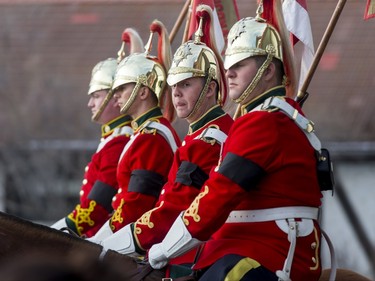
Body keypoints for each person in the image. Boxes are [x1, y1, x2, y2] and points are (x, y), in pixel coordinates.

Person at [148, 4, 326, 281]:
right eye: (228, 65)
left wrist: (164, 249)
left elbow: (219, 196)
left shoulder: (264, 122)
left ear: (268, 71)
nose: (228, 73)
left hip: (265, 256)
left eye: (239, 64)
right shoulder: (272, 117)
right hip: (239, 250)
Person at [88, 6, 234, 273]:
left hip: (195, 250)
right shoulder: (196, 135)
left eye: (186, 84)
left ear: (211, 88)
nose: (176, 93)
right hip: (174, 244)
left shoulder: (207, 139)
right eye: (174, 85)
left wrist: (103, 246)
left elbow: (173, 209)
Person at [88, 20, 181, 242]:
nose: (116, 95)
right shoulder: (144, 133)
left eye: (122, 88)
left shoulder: (151, 138)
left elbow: (135, 206)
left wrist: (99, 243)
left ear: (142, 93)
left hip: (143, 242)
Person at [50, 28, 144, 238]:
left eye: (96, 96)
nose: (90, 103)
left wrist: (53, 233)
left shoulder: (120, 142)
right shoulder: (112, 139)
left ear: (114, 98)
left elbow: (95, 208)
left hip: (101, 238)